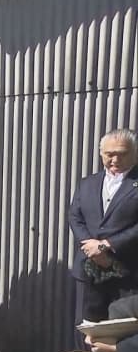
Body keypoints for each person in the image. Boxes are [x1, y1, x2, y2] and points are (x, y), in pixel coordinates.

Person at [69, 129, 138, 322]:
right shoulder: (87, 183)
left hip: (127, 272)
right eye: (110, 154)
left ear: (134, 152)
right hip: (89, 268)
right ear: (101, 154)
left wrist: (107, 245)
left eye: (122, 153)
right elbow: (75, 216)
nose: (115, 159)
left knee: (123, 329)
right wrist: (91, 246)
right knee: (87, 326)